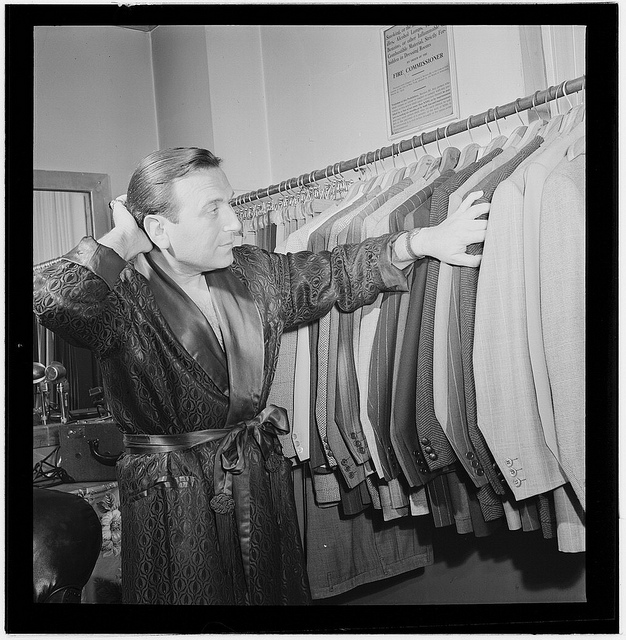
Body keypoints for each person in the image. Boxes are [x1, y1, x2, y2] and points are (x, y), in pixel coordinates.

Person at [33, 147, 489, 605]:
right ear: (157, 228)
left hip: (257, 474)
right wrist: (122, 241)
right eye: (214, 209)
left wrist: (419, 242)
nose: (235, 222)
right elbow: (49, 296)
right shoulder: (121, 297)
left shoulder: (253, 271)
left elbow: (332, 272)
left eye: (230, 204)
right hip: (172, 495)